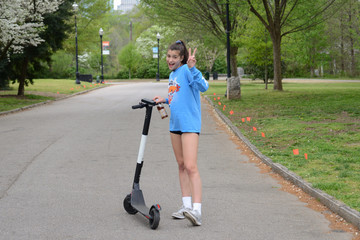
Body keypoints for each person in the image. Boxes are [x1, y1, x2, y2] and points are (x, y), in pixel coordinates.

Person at [153, 40, 209, 226]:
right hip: (175, 124)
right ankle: (185, 206)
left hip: (190, 125)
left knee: (191, 166)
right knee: (181, 165)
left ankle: (197, 211)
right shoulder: (173, 74)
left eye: (174, 57)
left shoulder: (187, 70)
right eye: (168, 56)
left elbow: (203, 87)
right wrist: (165, 99)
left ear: (182, 58)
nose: (170, 60)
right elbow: (176, 95)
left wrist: (193, 68)